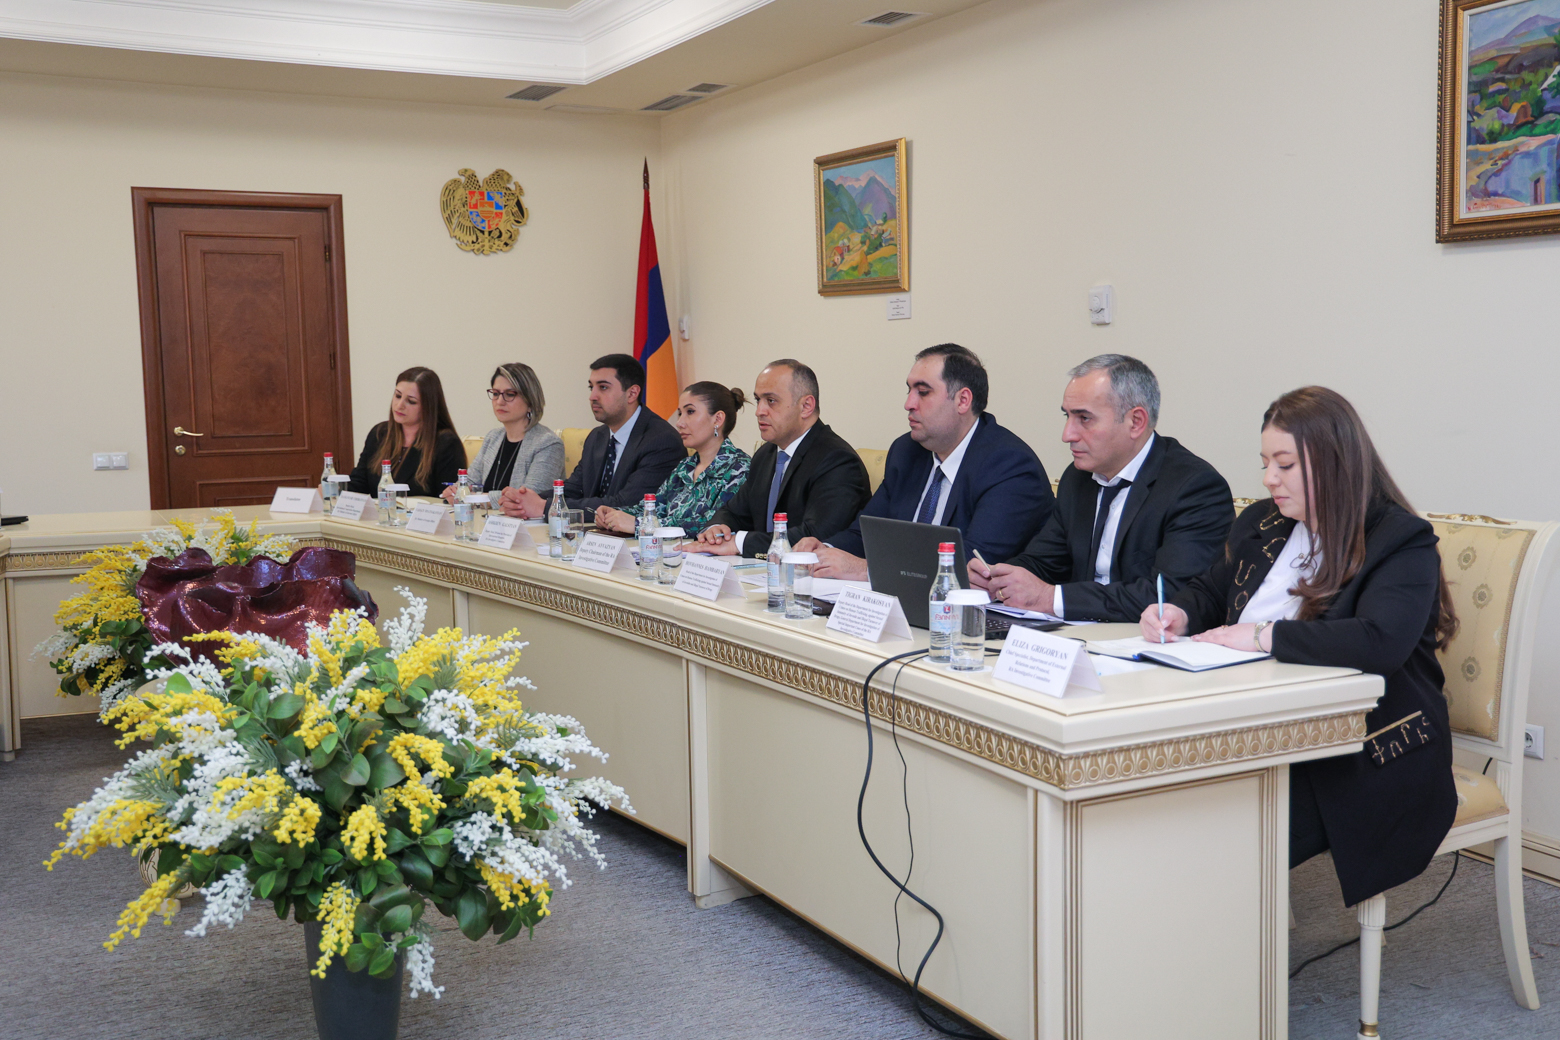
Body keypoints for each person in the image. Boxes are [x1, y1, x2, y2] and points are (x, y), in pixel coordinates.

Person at [1141, 386, 1458, 907]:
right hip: (1251, 719)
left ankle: (1221, 946)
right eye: (1265, 463)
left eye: (1285, 465)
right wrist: (1178, 611)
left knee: (1219, 835)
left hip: (1357, 745)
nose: (1269, 479)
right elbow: (1212, 589)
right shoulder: (1261, 522)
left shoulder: (1399, 539)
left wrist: (1261, 636)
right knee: (1161, 807)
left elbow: (1378, 642)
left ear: (1334, 463)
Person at [970, 354, 1231, 621]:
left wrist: (1051, 598)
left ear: (1136, 422)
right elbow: (1045, 562)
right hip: (1078, 633)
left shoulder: (1195, 488)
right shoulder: (1077, 478)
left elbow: (1171, 595)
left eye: (1084, 418)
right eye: (1068, 416)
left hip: (1143, 637)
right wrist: (996, 577)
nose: (1067, 435)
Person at [795, 344, 1054, 580]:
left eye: (923, 392)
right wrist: (823, 550)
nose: (908, 403)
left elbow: (973, 565)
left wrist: (866, 570)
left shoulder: (1010, 465)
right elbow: (865, 534)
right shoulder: (906, 452)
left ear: (963, 400)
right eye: (909, 391)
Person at [697, 360, 871, 557]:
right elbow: (734, 512)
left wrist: (739, 543)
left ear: (806, 406)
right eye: (758, 400)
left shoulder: (837, 460)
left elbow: (815, 537)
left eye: (771, 400)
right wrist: (717, 529)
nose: (759, 411)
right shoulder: (766, 454)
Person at [503, 354, 683, 520]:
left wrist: (545, 507)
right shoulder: (597, 436)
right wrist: (523, 500)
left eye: (603, 387)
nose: (592, 396)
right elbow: (575, 488)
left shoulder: (661, 441)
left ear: (632, 393)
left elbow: (627, 505)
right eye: (591, 387)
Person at [595, 383, 751, 534]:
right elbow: (653, 509)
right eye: (680, 413)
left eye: (690, 412)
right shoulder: (685, 466)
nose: (679, 423)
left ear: (717, 419)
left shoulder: (739, 468)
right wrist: (613, 514)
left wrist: (639, 525)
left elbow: (714, 524)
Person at [442, 362, 564, 507]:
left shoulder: (548, 443)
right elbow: (469, 482)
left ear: (530, 401)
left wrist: (474, 498)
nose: (500, 401)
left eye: (509, 394)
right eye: (495, 394)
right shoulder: (493, 437)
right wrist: (456, 490)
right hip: (485, 519)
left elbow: (528, 497)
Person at [347, 366, 464, 498]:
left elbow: (448, 498)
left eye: (411, 401)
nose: (399, 405)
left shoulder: (446, 444)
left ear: (428, 407)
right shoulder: (379, 434)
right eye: (398, 396)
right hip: (380, 511)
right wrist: (336, 489)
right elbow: (359, 484)